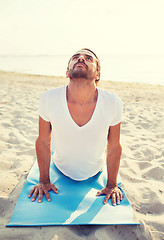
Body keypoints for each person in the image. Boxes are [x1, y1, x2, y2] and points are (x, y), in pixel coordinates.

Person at [28, 48, 123, 206]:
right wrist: (44, 181)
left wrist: (111, 185)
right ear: (67, 73)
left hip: (96, 170)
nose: (80, 59)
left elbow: (114, 145)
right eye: (75, 57)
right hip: (60, 166)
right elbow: (43, 141)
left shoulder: (113, 102)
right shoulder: (48, 98)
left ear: (98, 74)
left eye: (88, 58)